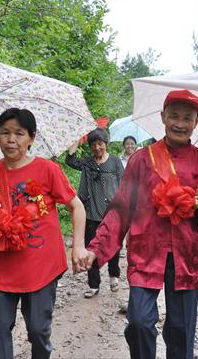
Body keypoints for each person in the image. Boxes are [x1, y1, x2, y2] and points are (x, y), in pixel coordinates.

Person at [84, 90, 198, 359]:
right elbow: (120, 210)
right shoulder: (142, 160)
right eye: (174, 116)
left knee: (181, 331)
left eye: (187, 118)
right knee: (138, 322)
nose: (180, 124)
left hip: (186, 256)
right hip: (146, 252)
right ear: (162, 117)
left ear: (197, 121)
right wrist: (96, 250)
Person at [0, 108, 89, 359]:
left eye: (19, 133)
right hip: (1, 267)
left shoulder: (47, 169)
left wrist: (78, 246)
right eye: (5, 133)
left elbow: (76, 206)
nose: (11, 139)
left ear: (31, 138)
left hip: (40, 267)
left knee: (38, 331)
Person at [65, 128, 125, 298]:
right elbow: (70, 160)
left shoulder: (114, 162)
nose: (97, 148)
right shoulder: (87, 163)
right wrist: (78, 139)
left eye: (100, 144)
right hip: (91, 212)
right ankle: (94, 284)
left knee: (114, 247)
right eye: (93, 145)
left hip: (112, 213)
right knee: (91, 248)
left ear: (105, 144)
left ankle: (114, 274)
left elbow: (124, 183)